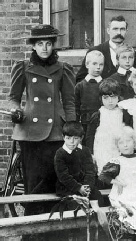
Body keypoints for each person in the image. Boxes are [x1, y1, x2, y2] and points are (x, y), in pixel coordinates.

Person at [8, 24, 76, 215]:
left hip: (56, 132)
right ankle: (33, 228)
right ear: (33, 46)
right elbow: (13, 98)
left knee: (55, 180)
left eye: (48, 43)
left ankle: (55, 227)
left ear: (53, 45)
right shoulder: (23, 67)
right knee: (34, 182)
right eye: (40, 43)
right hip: (30, 132)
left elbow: (69, 101)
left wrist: (71, 128)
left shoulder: (64, 68)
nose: (44, 48)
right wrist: (16, 110)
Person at [85, 79, 130, 177]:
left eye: (113, 97)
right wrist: (90, 154)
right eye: (106, 98)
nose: (110, 101)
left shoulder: (123, 113)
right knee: (104, 173)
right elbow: (90, 136)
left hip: (118, 149)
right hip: (102, 149)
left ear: (118, 97)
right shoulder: (98, 115)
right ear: (101, 98)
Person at [54, 121, 103, 207]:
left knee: (98, 198)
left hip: (85, 187)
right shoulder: (60, 153)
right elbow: (63, 176)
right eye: (68, 138)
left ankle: (99, 219)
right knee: (75, 204)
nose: (71, 142)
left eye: (75, 138)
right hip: (68, 187)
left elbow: (90, 171)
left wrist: (87, 186)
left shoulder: (85, 151)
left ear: (81, 138)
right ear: (63, 137)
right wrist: (78, 188)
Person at [76, 15, 136, 82]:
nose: (119, 32)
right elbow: (80, 79)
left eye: (122, 29)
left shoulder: (131, 53)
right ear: (108, 30)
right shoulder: (95, 50)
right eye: (115, 29)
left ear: (126, 31)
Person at [74, 50, 104, 139]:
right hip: (85, 124)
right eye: (94, 64)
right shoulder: (80, 86)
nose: (98, 67)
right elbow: (76, 106)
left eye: (101, 64)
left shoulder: (105, 85)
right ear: (87, 65)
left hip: (102, 123)